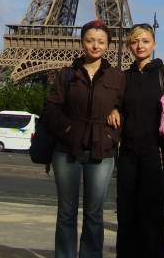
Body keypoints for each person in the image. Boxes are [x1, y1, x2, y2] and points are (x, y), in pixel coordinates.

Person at [43, 20, 125, 258]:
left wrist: (115, 117)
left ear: (108, 45)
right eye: (90, 40)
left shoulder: (118, 77)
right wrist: (69, 130)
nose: (95, 45)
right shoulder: (66, 74)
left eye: (101, 41)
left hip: (102, 149)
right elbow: (51, 109)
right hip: (67, 149)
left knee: (94, 214)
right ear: (81, 42)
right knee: (66, 212)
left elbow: (126, 107)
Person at [112, 23, 164, 258]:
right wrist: (114, 109)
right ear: (129, 45)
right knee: (126, 213)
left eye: (145, 41)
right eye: (135, 41)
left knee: (154, 213)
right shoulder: (124, 77)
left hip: (156, 153)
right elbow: (117, 104)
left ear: (154, 44)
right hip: (128, 153)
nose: (140, 45)